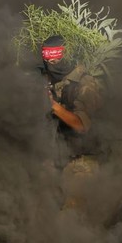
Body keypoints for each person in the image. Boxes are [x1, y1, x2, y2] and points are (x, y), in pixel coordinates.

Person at [40, 35, 105, 209]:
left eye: (55, 58)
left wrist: (53, 106)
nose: (51, 63)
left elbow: (81, 125)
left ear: (66, 55)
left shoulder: (85, 83)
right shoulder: (46, 79)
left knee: (75, 220)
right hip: (55, 160)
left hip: (80, 163)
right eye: (47, 59)